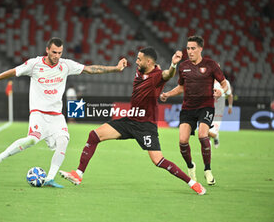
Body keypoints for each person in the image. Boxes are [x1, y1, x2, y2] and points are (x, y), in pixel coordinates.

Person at [0, 37, 127, 188]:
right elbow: (13, 72)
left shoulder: (66, 65)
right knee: (32, 139)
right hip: (38, 113)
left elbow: (91, 69)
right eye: (54, 52)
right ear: (47, 50)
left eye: (60, 53)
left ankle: (50, 178)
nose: (57, 56)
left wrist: (115, 68)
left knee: (63, 141)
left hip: (56, 115)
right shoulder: (34, 64)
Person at [60, 47, 207, 195]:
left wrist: (173, 65)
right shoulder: (141, 71)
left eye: (139, 59)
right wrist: (118, 67)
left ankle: (193, 183)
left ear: (148, 62)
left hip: (146, 126)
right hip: (130, 120)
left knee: (158, 160)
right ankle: (78, 174)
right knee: (94, 135)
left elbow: (167, 74)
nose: (136, 61)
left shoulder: (157, 76)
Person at [160, 36, 228, 186]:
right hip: (188, 108)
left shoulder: (210, 65)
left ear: (200, 49)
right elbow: (181, 87)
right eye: (188, 48)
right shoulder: (183, 66)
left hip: (206, 106)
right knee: (183, 141)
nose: (190, 51)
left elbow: (224, 83)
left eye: (193, 48)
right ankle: (191, 167)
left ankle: (208, 170)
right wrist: (167, 94)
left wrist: (221, 92)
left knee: (202, 135)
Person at [209, 78, 233, 148]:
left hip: (218, 112)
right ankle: (207, 150)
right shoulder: (206, 80)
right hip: (207, 110)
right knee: (204, 132)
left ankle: (216, 136)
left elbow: (230, 95)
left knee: (211, 133)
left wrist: (230, 107)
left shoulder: (225, 82)